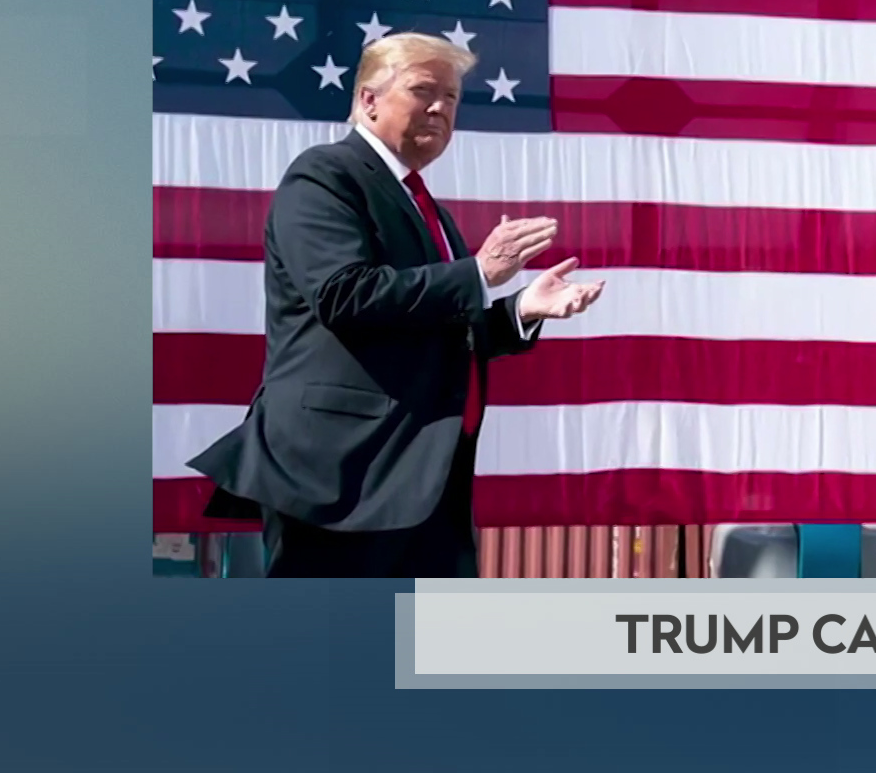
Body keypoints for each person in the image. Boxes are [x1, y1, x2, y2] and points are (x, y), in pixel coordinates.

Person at [189, 33, 603, 577]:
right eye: (422, 90)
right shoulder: (325, 176)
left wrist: (520, 308)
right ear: (368, 100)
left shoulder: (424, 203)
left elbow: (439, 327)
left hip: (421, 477)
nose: (439, 107)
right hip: (345, 479)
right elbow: (345, 295)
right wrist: (476, 273)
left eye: (451, 97)